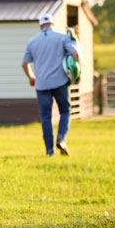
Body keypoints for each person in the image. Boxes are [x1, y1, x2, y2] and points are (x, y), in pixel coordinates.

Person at [21, 14, 80, 156]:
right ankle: (61, 139)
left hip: (41, 84)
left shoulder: (32, 42)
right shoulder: (62, 38)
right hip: (60, 82)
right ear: (52, 24)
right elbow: (76, 54)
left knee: (46, 116)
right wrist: (78, 73)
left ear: (41, 25)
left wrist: (31, 77)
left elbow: (24, 63)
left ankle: (49, 151)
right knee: (65, 111)